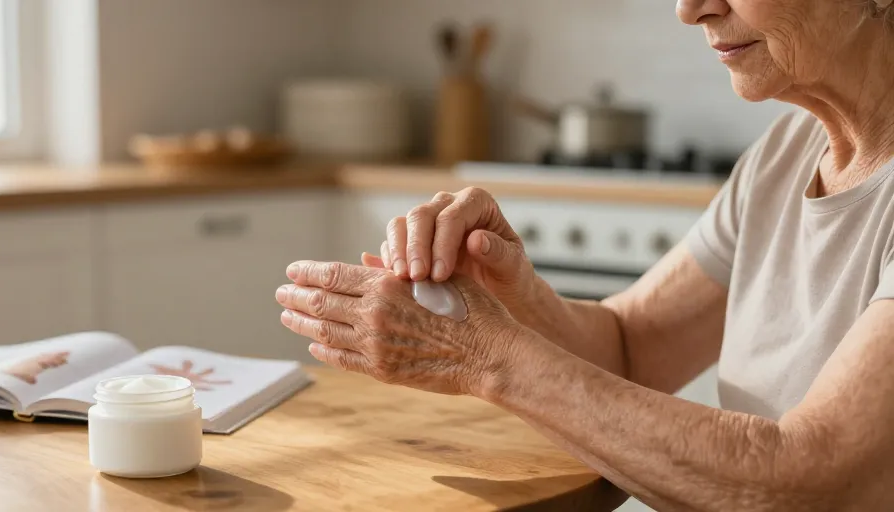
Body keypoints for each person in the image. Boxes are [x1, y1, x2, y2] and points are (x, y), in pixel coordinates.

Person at [275, 0, 894, 509]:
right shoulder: (787, 150)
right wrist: (515, 295)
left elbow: (816, 484)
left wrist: (483, 356)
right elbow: (632, 347)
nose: (690, 10)